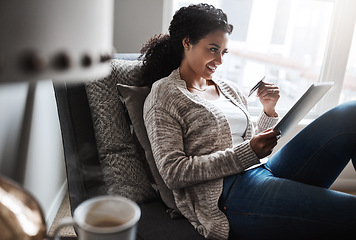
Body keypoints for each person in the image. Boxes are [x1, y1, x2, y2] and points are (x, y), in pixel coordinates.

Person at [140, 3, 356, 240]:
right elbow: (173, 172)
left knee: (350, 113)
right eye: (213, 49)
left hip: (262, 170)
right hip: (226, 195)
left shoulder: (228, 88)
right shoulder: (164, 95)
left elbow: (250, 145)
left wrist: (268, 111)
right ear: (187, 42)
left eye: (224, 52)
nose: (219, 60)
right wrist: (246, 154)